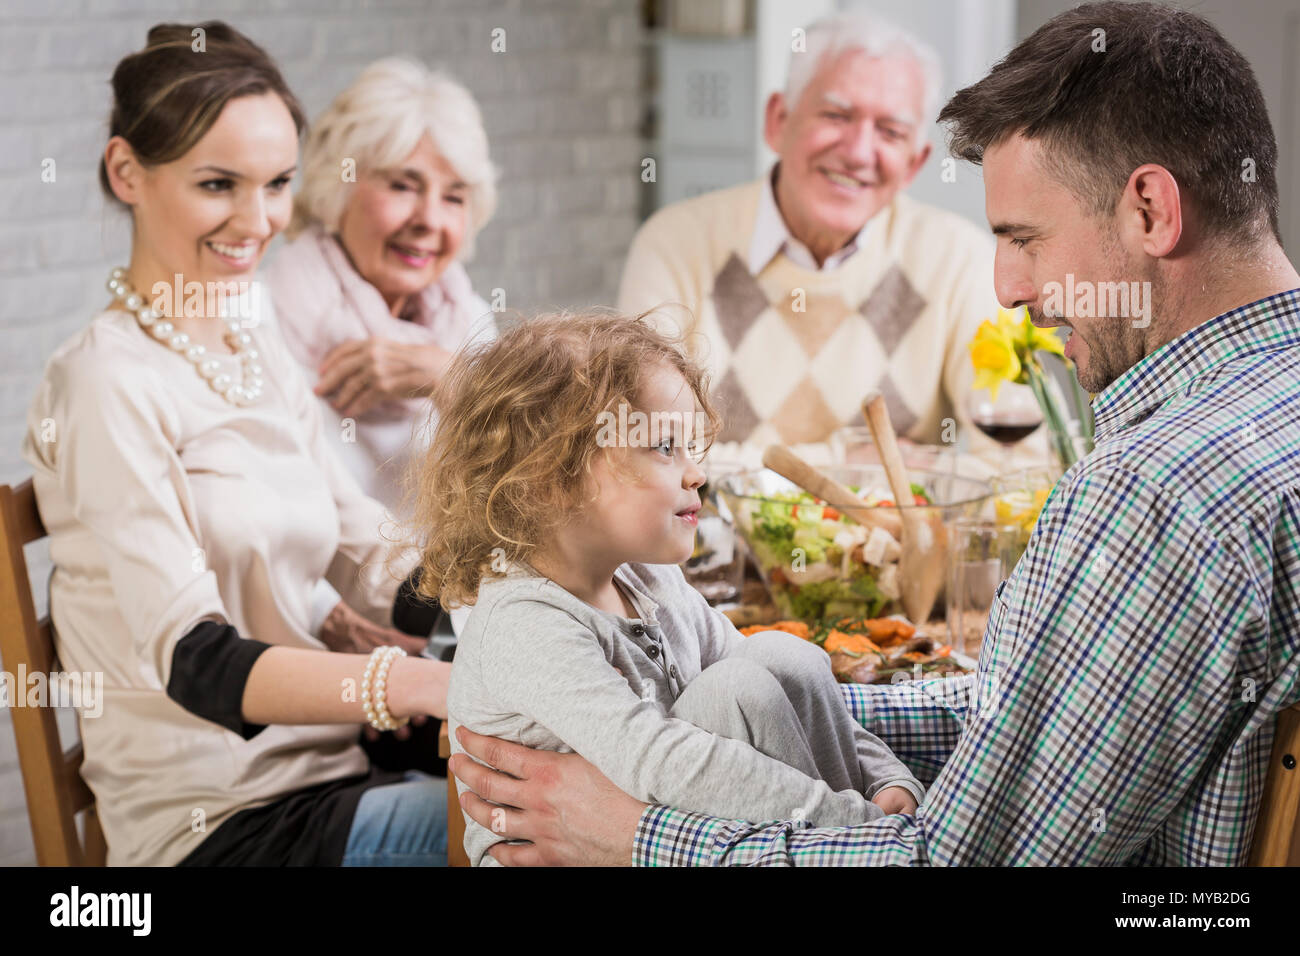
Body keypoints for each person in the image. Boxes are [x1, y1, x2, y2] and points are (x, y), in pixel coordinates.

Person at [449, 1, 1300, 866]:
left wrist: (637, 835)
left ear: (1151, 210)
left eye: (1026, 240)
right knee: (778, 666)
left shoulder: (1148, 497)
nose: (1005, 286)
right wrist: (827, 714)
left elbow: (947, 864)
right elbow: (1042, 731)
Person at [22, 21, 450, 866]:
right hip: (218, 826)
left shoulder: (249, 346)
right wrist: (416, 682)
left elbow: (365, 550)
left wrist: (515, 597)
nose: (259, 222)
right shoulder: (104, 381)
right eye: (219, 184)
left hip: (330, 776)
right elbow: (199, 663)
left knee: (575, 786)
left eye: (279, 184)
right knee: (550, 830)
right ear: (127, 173)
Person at [410, 312, 923, 865]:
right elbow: (658, 760)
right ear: (552, 481)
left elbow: (759, 678)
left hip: (675, 835)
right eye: (663, 448)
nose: (696, 472)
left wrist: (885, 781)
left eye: (691, 447)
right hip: (579, 849)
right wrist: (854, 824)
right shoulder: (524, 622)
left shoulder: (647, 577)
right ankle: (849, 851)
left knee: (780, 656)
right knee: (739, 691)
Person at [617, 12, 1014, 456]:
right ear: (778, 121)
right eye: (836, 115)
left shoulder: (960, 261)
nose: (859, 152)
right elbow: (646, 451)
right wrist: (847, 462)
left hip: (883, 531)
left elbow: (1023, 465)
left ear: (914, 163)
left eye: (890, 131)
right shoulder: (674, 244)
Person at [266, 57, 498, 519]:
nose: (429, 220)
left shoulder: (471, 322)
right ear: (339, 187)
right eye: (402, 186)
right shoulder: (258, 320)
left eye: (453, 197)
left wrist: (449, 379)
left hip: (445, 590)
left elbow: (529, 493)